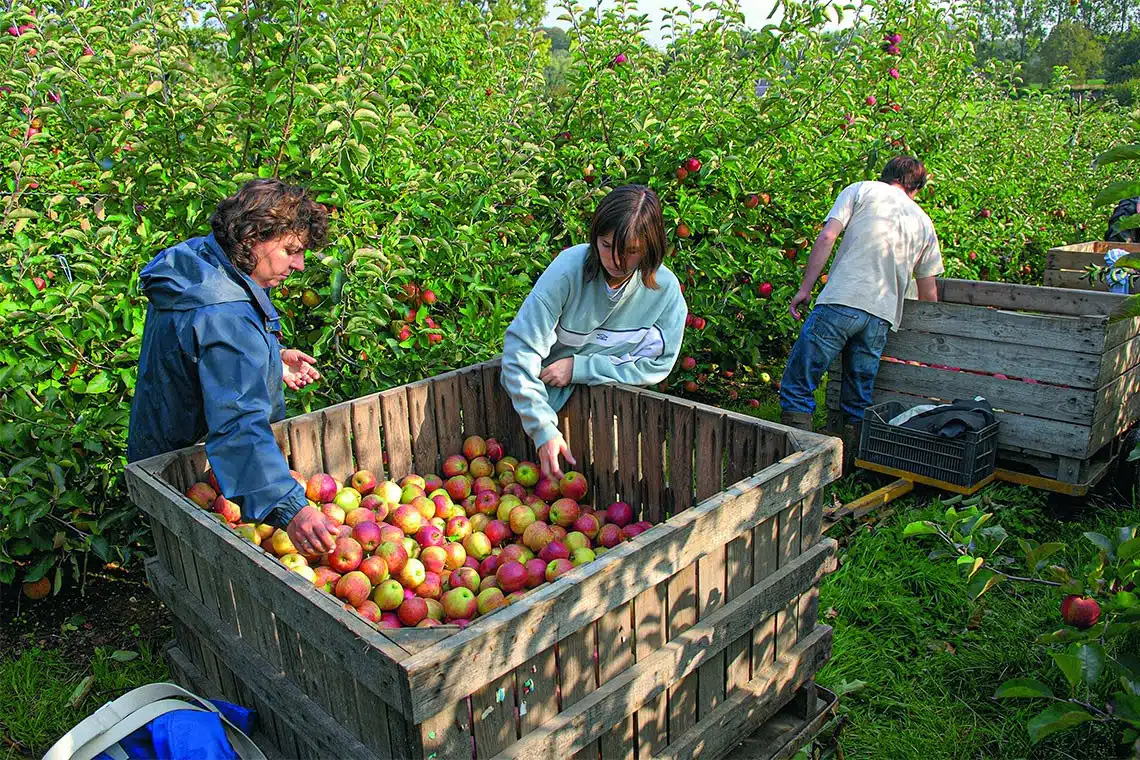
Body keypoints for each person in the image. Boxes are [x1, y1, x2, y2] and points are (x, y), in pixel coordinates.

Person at [127, 179, 338, 556]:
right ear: (253, 236)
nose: (299, 264)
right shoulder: (223, 315)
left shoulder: (202, 264)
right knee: (197, 564)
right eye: (291, 250)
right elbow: (238, 424)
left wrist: (273, 360)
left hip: (163, 439)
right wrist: (292, 510)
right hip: (193, 463)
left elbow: (204, 354)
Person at [501, 185, 688, 480]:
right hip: (543, 402)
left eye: (630, 251)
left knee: (617, 487)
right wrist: (542, 426)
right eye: (605, 245)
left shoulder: (665, 294)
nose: (615, 260)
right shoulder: (567, 271)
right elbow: (519, 351)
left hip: (612, 411)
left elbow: (658, 365)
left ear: (651, 247)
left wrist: (581, 367)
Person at [778, 156, 943, 458]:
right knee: (857, 398)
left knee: (799, 382)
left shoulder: (861, 190)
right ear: (916, 189)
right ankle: (848, 468)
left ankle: (796, 460)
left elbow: (828, 235)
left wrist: (805, 289)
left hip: (842, 300)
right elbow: (928, 289)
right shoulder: (923, 222)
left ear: (886, 176)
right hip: (880, 317)